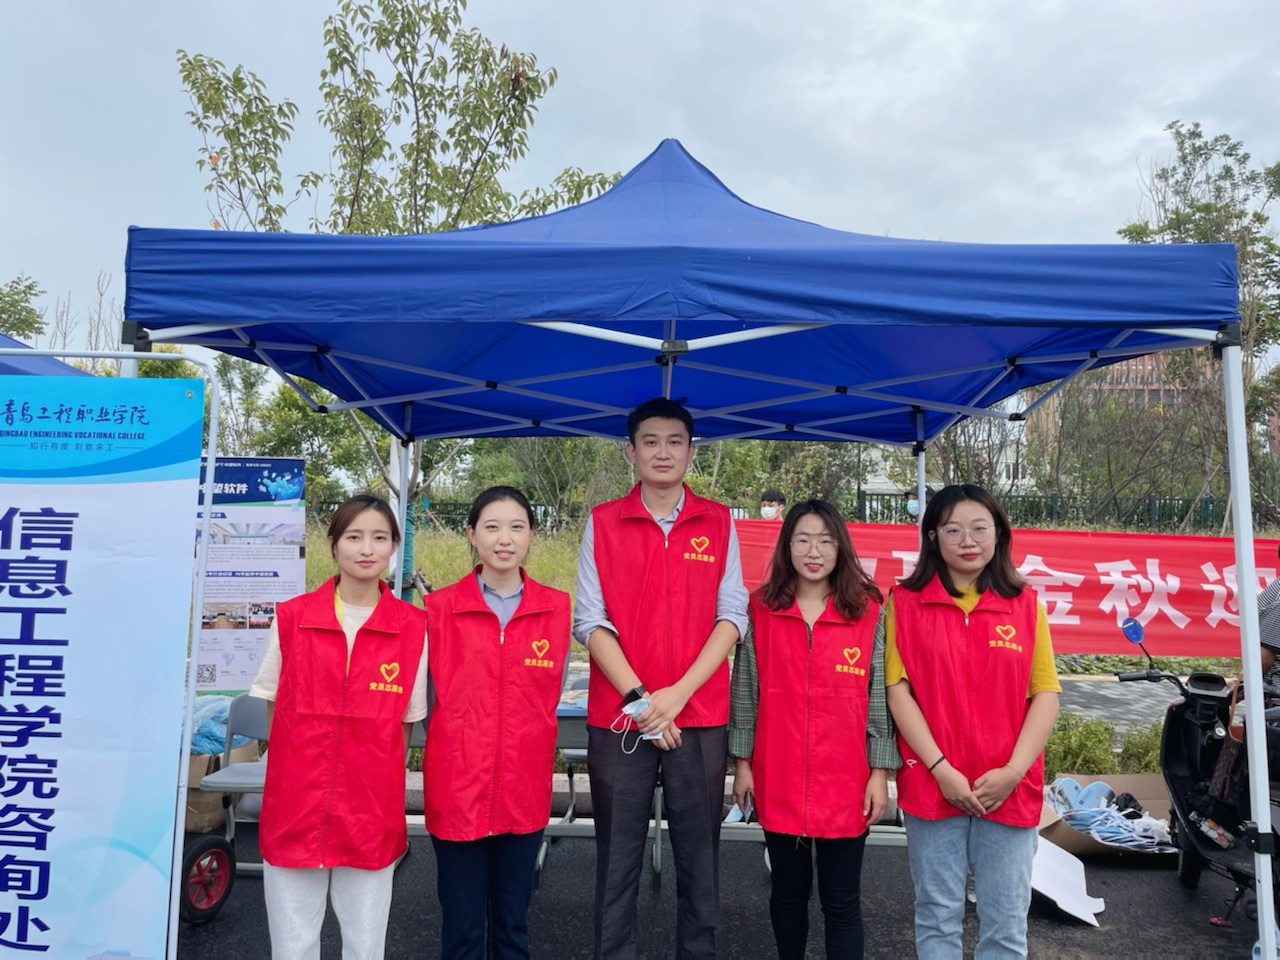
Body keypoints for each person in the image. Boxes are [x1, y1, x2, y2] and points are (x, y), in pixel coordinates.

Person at [574, 396, 749, 959]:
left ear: (692, 452)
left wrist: (677, 695)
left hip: (698, 716)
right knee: (616, 859)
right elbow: (589, 620)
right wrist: (642, 701)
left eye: (675, 442)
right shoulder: (603, 522)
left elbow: (733, 615)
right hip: (621, 719)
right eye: (650, 442)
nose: (663, 452)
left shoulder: (718, 521)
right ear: (630, 452)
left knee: (700, 861)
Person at [249, 494, 428, 960]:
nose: (367, 549)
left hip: (370, 808)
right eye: (354, 537)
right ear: (333, 544)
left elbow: (407, 722)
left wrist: (377, 778)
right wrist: (292, 772)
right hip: (295, 803)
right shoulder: (292, 618)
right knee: (293, 946)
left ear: (394, 547)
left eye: (379, 537)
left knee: (365, 946)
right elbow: (274, 708)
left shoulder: (413, 627)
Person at [885, 483, 1060, 959]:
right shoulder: (903, 603)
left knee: (1006, 923)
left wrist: (1012, 772)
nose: (968, 541)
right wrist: (941, 769)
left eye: (980, 528)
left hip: (1007, 786)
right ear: (933, 537)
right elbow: (898, 692)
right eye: (953, 530)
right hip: (932, 783)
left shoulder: (1025, 604)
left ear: (999, 534)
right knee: (937, 915)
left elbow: (1045, 695)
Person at [729, 499, 899, 959]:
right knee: (787, 895)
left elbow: (879, 699)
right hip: (779, 774)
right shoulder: (763, 609)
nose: (813, 551)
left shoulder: (866, 611)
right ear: (786, 546)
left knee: (841, 902)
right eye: (802, 539)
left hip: (847, 779)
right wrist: (742, 764)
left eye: (825, 541)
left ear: (841, 548)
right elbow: (745, 690)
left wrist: (879, 772)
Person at [424, 485, 571, 959]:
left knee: (512, 926)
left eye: (516, 527)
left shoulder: (557, 608)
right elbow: (428, 704)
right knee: (462, 928)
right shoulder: (438, 610)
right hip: (457, 787)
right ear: (472, 534)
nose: (504, 539)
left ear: (531, 534)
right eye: (491, 527)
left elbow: (549, 695)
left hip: (523, 787)